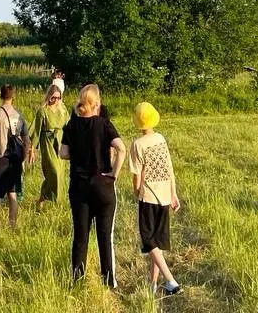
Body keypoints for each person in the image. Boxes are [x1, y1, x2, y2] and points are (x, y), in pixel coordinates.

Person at [60, 83, 126, 289]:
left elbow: (63, 153)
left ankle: (77, 280)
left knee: (80, 236)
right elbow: (121, 149)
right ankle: (108, 281)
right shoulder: (104, 124)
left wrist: (79, 155)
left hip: (79, 187)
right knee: (105, 237)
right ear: (97, 103)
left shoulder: (71, 125)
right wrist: (113, 173)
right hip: (102, 185)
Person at [129, 102, 181, 297]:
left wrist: (136, 191)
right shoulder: (161, 139)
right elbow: (169, 168)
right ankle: (152, 284)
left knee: (148, 241)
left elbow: (136, 175)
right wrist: (173, 193)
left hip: (148, 197)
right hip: (165, 195)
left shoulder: (137, 144)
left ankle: (171, 280)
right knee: (157, 242)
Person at [0, 84, 31, 238]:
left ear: (1, 95)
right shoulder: (19, 115)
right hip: (15, 160)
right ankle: (12, 229)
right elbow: (27, 141)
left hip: (0, 158)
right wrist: (23, 159)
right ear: (13, 96)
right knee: (12, 194)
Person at [28, 84, 69, 204]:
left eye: (58, 98)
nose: (56, 100)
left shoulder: (63, 110)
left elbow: (69, 126)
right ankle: (47, 197)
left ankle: (53, 201)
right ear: (49, 97)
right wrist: (32, 150)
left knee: (60, 174)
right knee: (53, 172)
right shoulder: (43, 111)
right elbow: (36, 132)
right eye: (53, 97)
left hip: (60, 143)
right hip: (48, 144)